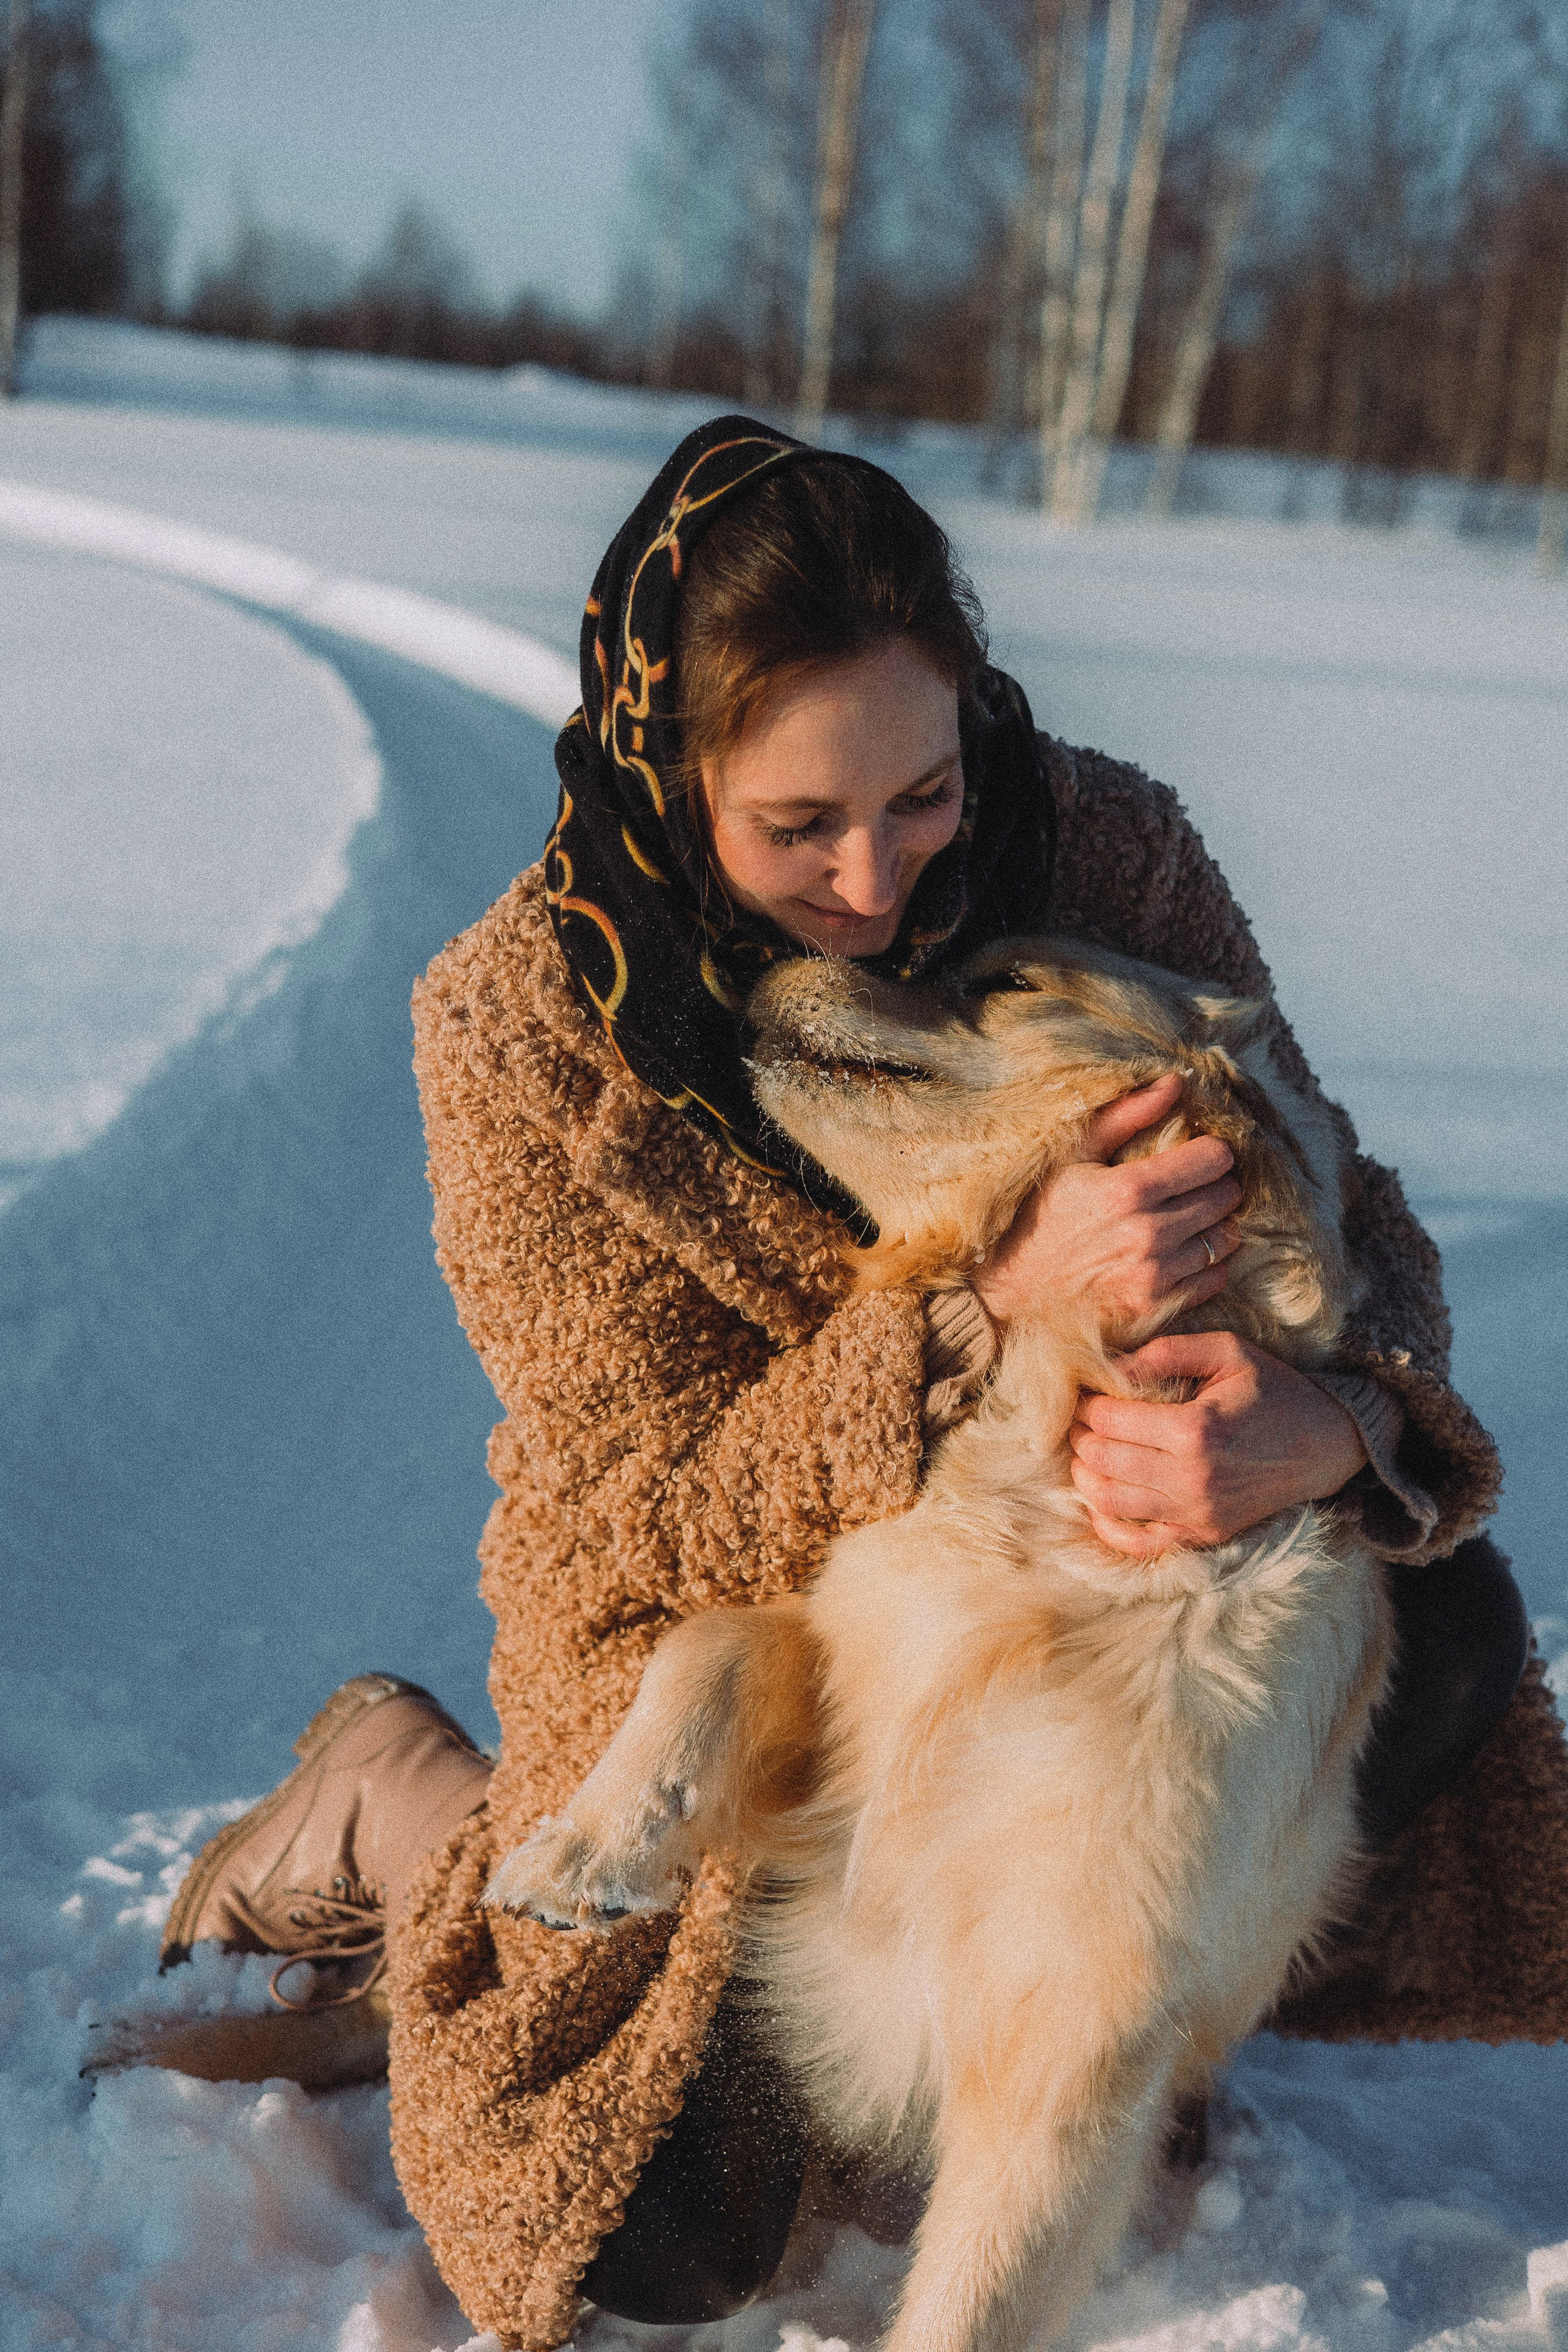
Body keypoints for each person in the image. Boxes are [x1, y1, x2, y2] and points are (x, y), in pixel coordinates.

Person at [159, 419, 1564, 2350]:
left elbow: (1350, 1203)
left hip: (1082, 1586)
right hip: (726, 1631)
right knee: (644, 2235)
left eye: (922, 793)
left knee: (1449, 1622)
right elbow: (649, 1504)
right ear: (673, 769)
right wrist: (991, 1309)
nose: (882, 879)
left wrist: (1333, 1422)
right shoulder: (519, 1033)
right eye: (800, 825)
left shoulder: (1107, 846)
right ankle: (406, 1807)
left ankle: (1083, 1990)